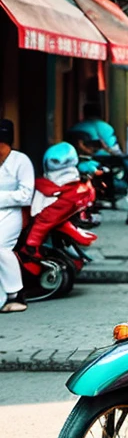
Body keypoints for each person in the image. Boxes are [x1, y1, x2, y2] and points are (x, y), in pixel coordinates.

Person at [0, 119, 34, 313]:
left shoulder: (21, 161)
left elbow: (25, 195)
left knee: (1, 248)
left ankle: (17, 293)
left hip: (13, 212)